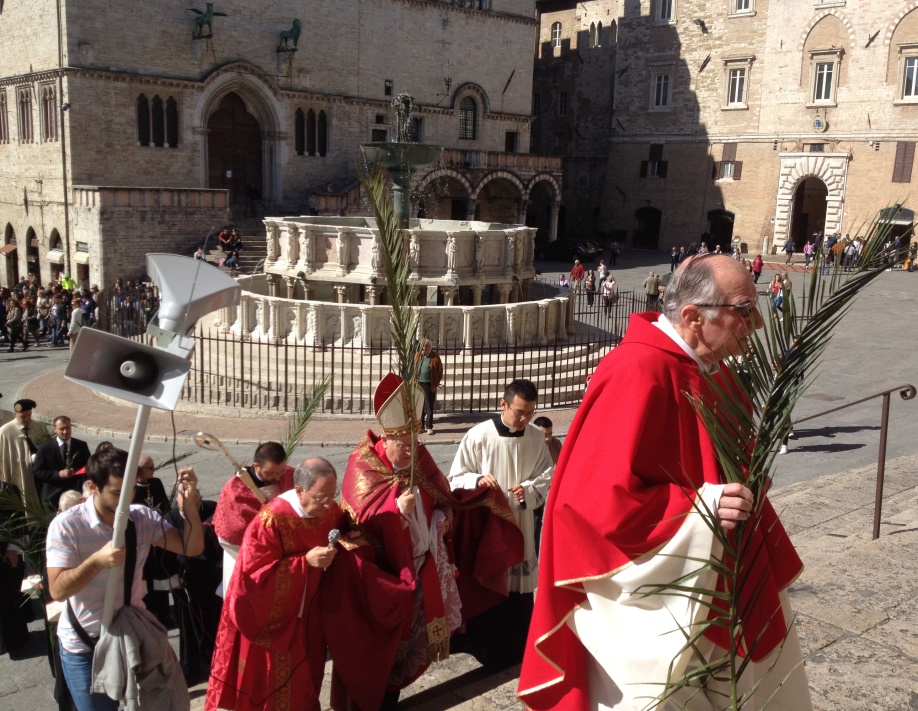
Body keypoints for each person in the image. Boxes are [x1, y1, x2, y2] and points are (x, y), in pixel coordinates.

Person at [518, 254, 810, 710]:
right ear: (694, 317)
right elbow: (588, 503)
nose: (754, 325)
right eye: (743, 310)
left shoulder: (718, 374)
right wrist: (703, 508)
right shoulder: (635, 372)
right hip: (650, 593)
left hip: (720, 573)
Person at [325, 374, 523, 711]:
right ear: (385, 440)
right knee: (385, 648)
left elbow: (444, 496)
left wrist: (441, 517)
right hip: (385, 579)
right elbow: (361, 518)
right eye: (402, 444)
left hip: (423, 566)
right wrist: (396, 510)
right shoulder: (363, 467)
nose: (410, 450)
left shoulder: (418, 455)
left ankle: (393, 696)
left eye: (414, 442)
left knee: (412, 646)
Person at [46, 447, 203, 711]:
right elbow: (58, 589)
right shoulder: (68, 525)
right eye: (117, 493)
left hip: (131, 636)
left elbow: (192, 547)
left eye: (130, 490)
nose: (126, 500)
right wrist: (96, 561)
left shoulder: (142, 518)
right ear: (93, 487)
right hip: (86, 647)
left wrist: (190, 511)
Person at [206, 458, 340, 711]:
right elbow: (253, 579)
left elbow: (342, 525)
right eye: (321, 497)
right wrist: (305, 563)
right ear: (300, 491)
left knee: (304, 684)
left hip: (307, 618)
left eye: (332, 495)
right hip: (272, 622)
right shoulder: (272, 520)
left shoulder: (329, 510)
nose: (328, 504)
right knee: (270, 690)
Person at [448, 379, 554, 669]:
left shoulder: (534, 437)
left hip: (519, 523)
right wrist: (478, 480)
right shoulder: (478, 435)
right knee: (490, 580)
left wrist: (529, 490)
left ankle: (516, 648)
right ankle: (482, 646)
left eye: (530, 413)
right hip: (487, 522)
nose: (524, 420)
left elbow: (548, 475)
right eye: (519, 412)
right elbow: (456, 476)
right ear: (503, 405)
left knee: (517, 591)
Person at [212, 441, 294, 595]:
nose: (277, 477)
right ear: (256, 466)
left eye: (280, 472)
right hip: (246, 558)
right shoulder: (235, 489)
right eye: (271, 473)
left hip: (283, 555)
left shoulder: (288, 475)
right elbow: (231, 532)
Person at [31, 415, 91, 511]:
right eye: (61, 429)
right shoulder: (45, 448)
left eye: (67, 428)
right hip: (53, 495)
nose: (65, 432)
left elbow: (89, 466)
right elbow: (37, 471)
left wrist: (74, 471)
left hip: (75, 494)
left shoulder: (81, 446)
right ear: (55, 429)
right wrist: (57, 474)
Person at [0, 399, 52, 504]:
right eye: (22, 417)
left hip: (40, 473)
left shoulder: (39, 426)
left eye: (29, 415)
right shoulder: (4, 432)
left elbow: (49, 447)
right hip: (20, 474)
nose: (27, 419)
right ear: (15, 414)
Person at [416, 338, 443, 435]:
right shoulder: (417, 356)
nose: (423, 348)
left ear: (430, 347)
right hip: (419, 384)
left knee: (429, 407)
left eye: (426, 347)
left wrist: (436, 382)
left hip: (429, 384)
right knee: (420, 406)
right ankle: (421, 426)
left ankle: (429, 427)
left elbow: (440, 371)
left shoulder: (435, 357)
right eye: (422, 347)